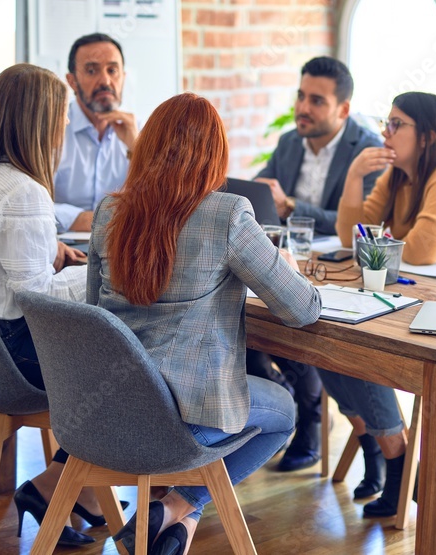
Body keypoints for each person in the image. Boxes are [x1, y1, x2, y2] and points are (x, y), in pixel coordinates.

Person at [88, 93, 322, 555]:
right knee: (285, 411)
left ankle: (174, 519)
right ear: (214, 155)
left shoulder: (109, 212)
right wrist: (284, 264)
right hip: (182, 423)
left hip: (108, 415)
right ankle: (177, 507)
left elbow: (95, 318)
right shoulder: (228, 214)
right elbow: (303, 310)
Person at [324, 91, 436, 517]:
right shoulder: (398, 174)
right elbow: (355, 236)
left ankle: (395, 458)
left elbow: (421, 251)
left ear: (428, 136)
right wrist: (353, 177)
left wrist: (375, 243)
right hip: (413, 294)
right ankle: (384, 448)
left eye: (397, 124)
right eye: (386, 122)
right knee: (324, 343)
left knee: (362, 347)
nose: (386, 132)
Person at [0, 63, 102, 548]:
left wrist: (49, 251)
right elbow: (38, 301)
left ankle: (84, 496)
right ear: (39, 122)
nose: (64, 127)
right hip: (15, 354)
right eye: (60, 116)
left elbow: (2, 265)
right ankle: (52, 490)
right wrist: (97, 276)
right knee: (122, 376)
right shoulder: (24, 194)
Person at [247, 56, 383, 475]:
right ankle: (286, 403)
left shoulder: (367, 149)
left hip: (338, 266)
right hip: (290, 260)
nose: (303, 108)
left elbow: (364, 222)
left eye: (316, 101)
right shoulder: (290, 142)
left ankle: (307, 417)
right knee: (240, 320)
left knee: (301, 322)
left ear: (343, 109)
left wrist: (295, 207)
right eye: (301, 96)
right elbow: (260, 194)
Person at [53, 33, 138, 232]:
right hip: (63, 248)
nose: (105, 81)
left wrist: (137, 148)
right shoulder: (51, 129)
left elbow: (160, 205)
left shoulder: (139, 130)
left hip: (122, 251)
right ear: (72, 81)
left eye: (112, 70)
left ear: (123, 78)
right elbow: (33, 206)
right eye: (92, 70)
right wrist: (96, 220)